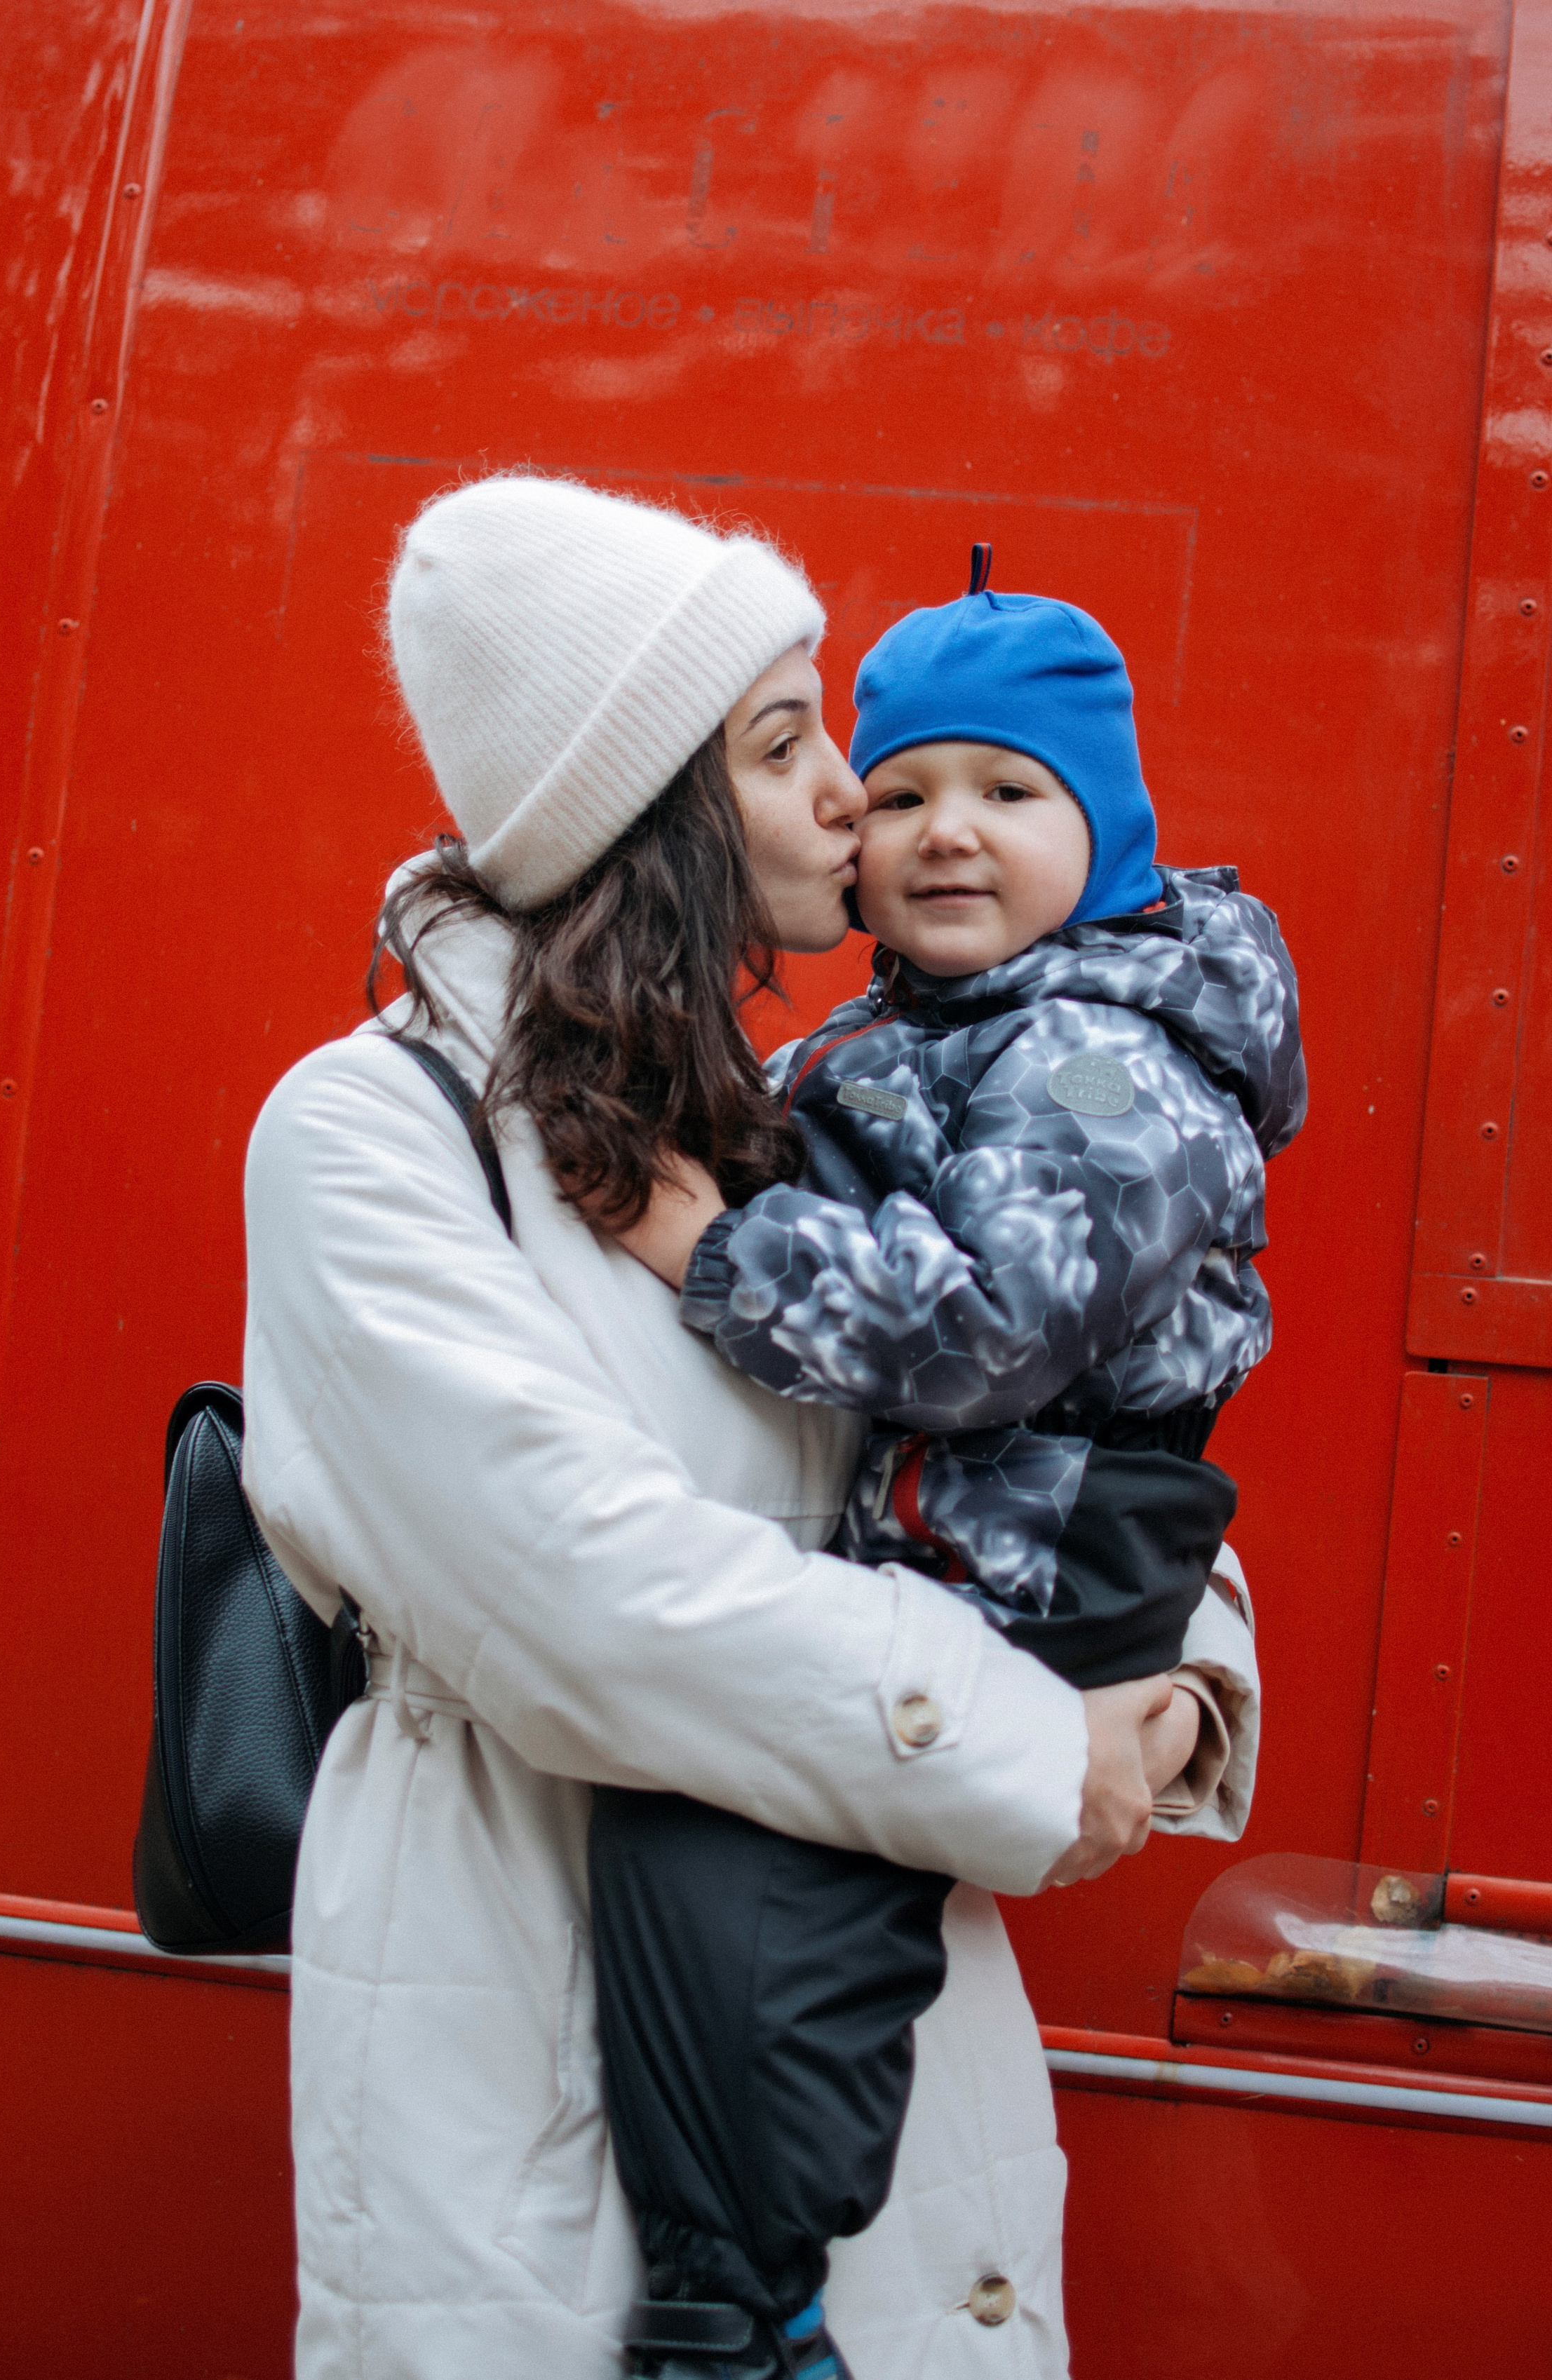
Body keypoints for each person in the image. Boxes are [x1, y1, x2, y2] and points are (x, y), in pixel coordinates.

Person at [238, 475, 1262, 2380]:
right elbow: (585, 1601)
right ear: (646, 810)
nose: (853, 794)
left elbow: (1080, 1429)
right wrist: (1045, 1742)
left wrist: (1183, 1685)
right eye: (786, 741)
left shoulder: (793, 1110)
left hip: (882, 2008)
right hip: (544, 2015)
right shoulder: (371, 1133)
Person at [591, 552, 1304, 2374]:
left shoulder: (1092, 1058)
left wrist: (713, 1251)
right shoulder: (901, 1029)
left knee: (788, 1897)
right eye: (898, 793)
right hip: (959, 1551)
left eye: (1010, 792)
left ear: (1112, 828)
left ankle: (745, 2313)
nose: (944, 833)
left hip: (1050, 1552)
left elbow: (991, 1325)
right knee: (752, 1881)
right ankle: (745, 2279)